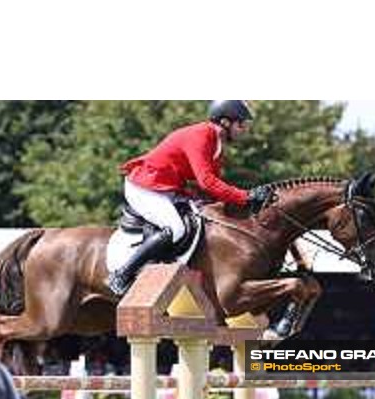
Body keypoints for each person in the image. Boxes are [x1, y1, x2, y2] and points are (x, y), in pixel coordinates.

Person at [107, 100, 273, 296]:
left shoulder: (216, 142)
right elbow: (207, 182)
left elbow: (213, 185)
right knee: (176, 228)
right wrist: (246, 197)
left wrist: (244, 201)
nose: (244, 129)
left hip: (167, 188)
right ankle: (121, 274)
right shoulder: (201, 135)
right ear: (226, 122)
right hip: (145, 186)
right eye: (241, 124)